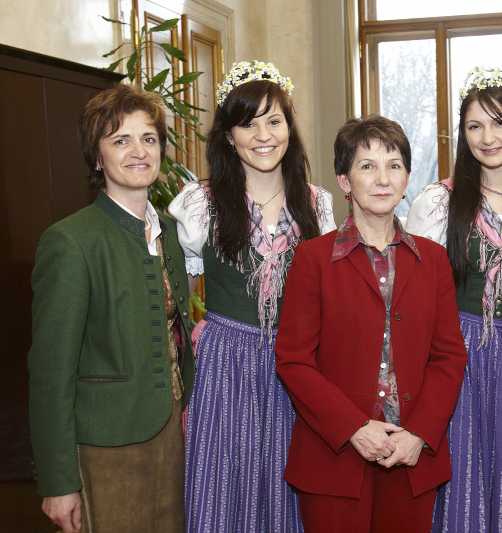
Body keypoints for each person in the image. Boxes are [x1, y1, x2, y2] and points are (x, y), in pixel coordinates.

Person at [275, 115, 468, 533]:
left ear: (407, 178)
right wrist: (354, 428)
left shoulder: (433, 260)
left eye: (393, 165)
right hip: (334, 457)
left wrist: (418, 434)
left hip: (410, 456)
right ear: (344, 181)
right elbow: (293, 361)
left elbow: (450, 356)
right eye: (367, 166)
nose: (382, 179)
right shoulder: (311, 259)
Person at [168, 60, 335, 533]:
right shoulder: (199, 204)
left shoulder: (317, 204)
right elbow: (178, 294)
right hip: (225, 364)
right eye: (247, 123)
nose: (263, 135)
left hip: (297, 363)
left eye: (274, 120)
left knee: (291, 488)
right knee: (224, 487)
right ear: (228, 135)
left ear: (290, 128)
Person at [28, 84, 195, 532]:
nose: (138, 151)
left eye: (149, 138)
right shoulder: (71, 241)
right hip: (107, 445)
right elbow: (50, 372)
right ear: (97, 156)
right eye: (121, 140)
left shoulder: (172, 238)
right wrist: (59, 481)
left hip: (173, 431)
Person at [405, 66, 502, 532]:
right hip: (461, 358)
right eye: (475, 125)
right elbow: (412, 297)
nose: (487, 136)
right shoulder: (438, 203)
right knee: (465, 478)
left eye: (499, 123)